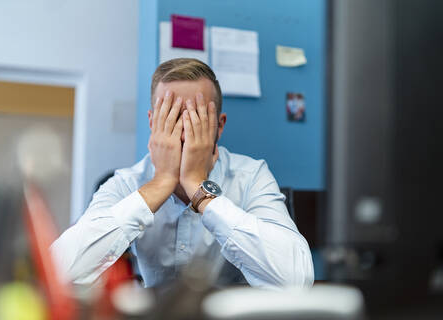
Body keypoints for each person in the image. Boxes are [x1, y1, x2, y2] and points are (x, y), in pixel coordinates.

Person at [51, 58, 314, 288]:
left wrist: (198, 188)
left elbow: (294, 280)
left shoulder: (251, 176)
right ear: (153, 123)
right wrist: (160, 183)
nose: (184, 133)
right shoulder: (126, 182)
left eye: (196, 119)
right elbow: (58, 272)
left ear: (219, 127)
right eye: (172, 118)